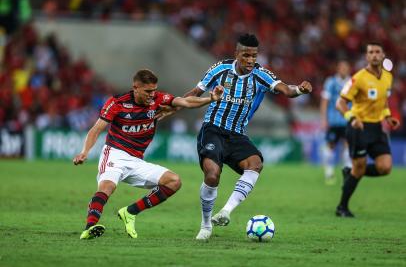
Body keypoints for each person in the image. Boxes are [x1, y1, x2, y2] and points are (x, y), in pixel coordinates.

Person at [177, 33, 312, 240]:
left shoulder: (260, 75)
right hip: (213, 129)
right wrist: (172, 105)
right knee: (212, 175)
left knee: (255, 163)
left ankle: (225, 211)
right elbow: (195, 92)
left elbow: (286, 89)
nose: (250, 60)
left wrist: (300, 90)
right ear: (237, 54)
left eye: (254, 56)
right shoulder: (219, 70)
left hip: (237, 134)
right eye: (246, 56)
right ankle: (205, 225)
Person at [73, 69, 223, 239]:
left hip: (137, 161)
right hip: (115, 154)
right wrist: (84, 152)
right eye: (148, 91)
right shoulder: (117, 103)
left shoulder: (158, 99)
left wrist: (210, 98)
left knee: (174, 181)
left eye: (154, 90)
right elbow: (96, 129)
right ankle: (90, 227)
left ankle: (130, 212)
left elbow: (186, 102)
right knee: (107, 187)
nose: (152, 95)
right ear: (135, 87)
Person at [335, 42, 400, 217]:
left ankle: (350, 173)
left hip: (377, 127)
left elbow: (383, 100)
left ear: (383, 55)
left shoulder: (388, 77)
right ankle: (342, 207)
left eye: (377, 52)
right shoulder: (358, 78)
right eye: (370, 52)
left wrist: (387, 116)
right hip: (359, 127)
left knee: (385, 167)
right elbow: (340, 103)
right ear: (367, 56)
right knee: (360, 168)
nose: (374, 55)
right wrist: (351, 118)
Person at [320, 60, 352, 185]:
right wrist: (324, 119)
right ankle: (329, 172)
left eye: (346, 67)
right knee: (330, 146)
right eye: (341, 67)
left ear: (349, 69)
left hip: (348, 119)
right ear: (338, 69)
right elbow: (325, 101)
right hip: (333, 121)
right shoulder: (331, 82)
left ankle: (347, 172)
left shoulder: (352, 82)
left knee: (348, 146)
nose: (344, 70)